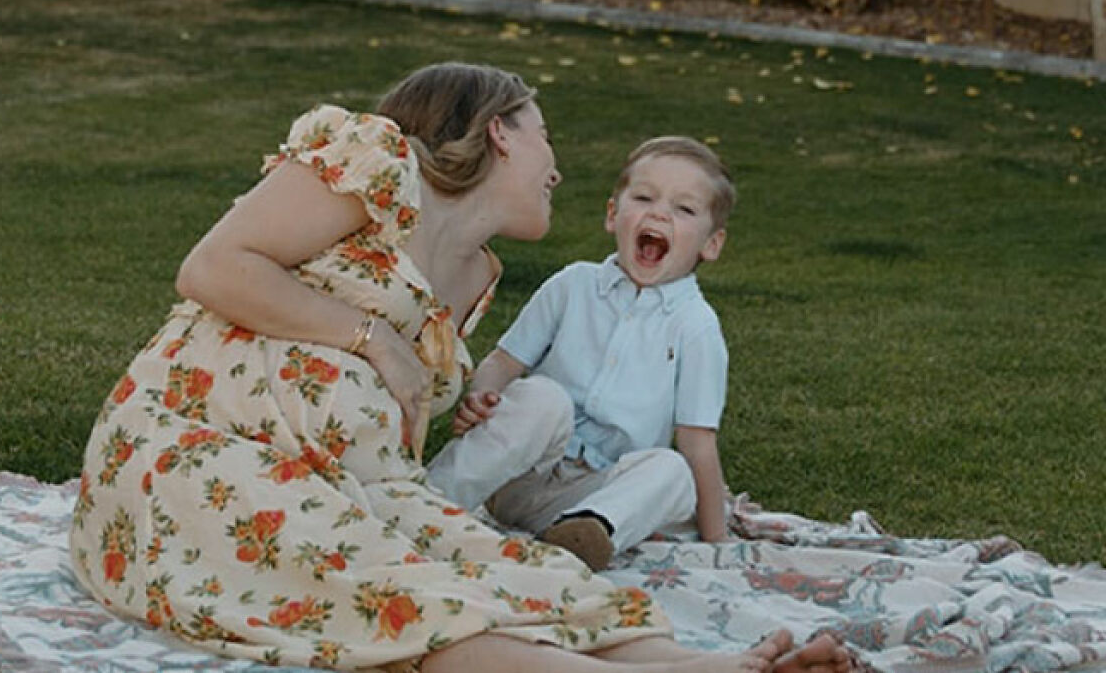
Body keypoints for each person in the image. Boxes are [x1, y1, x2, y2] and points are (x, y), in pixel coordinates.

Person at [69, 62, 851, 673]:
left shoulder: (475, 276)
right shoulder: (376, 161)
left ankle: (706, 662)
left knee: (511, 565)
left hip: (355, 478)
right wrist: (374, 337)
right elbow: (212, 267)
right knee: (395, 594)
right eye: (545, 135)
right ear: (502, 132)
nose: (558, 166)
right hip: (204, 444)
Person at [428, 136, 735, 573]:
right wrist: (482, 397)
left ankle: (583, 537)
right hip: (519, 471)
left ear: (711, 244)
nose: (660, 213)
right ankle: (430, 498)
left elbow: (697, 443)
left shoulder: (696, 327)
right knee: (544, 397)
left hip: (592, 492)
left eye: (684, 209)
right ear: (613, 215)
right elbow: (503, 362)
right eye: (644, 197)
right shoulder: (573, 286)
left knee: (674, 472)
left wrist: (718, 542)